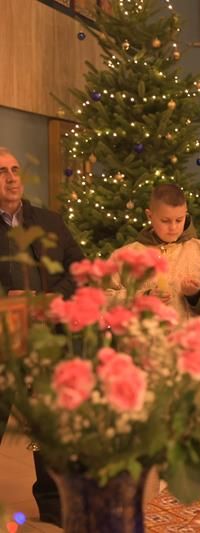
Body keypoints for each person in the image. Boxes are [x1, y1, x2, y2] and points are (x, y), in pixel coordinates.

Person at [0, 147, 85, 526]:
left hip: (49, 339)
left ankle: (54, 508)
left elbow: (79, 268)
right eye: (1, 172)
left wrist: (50, 298)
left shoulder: (49, 221)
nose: (11, 178)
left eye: (15, 169)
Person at [110, 183, 200, 321]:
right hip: (145, 334)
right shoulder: (124, 257)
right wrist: (144, 298)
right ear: (150, 215)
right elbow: (103, 299)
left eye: (179, 220)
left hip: (193, 334)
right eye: (165, 220)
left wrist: (197, 295)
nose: (173, 227)